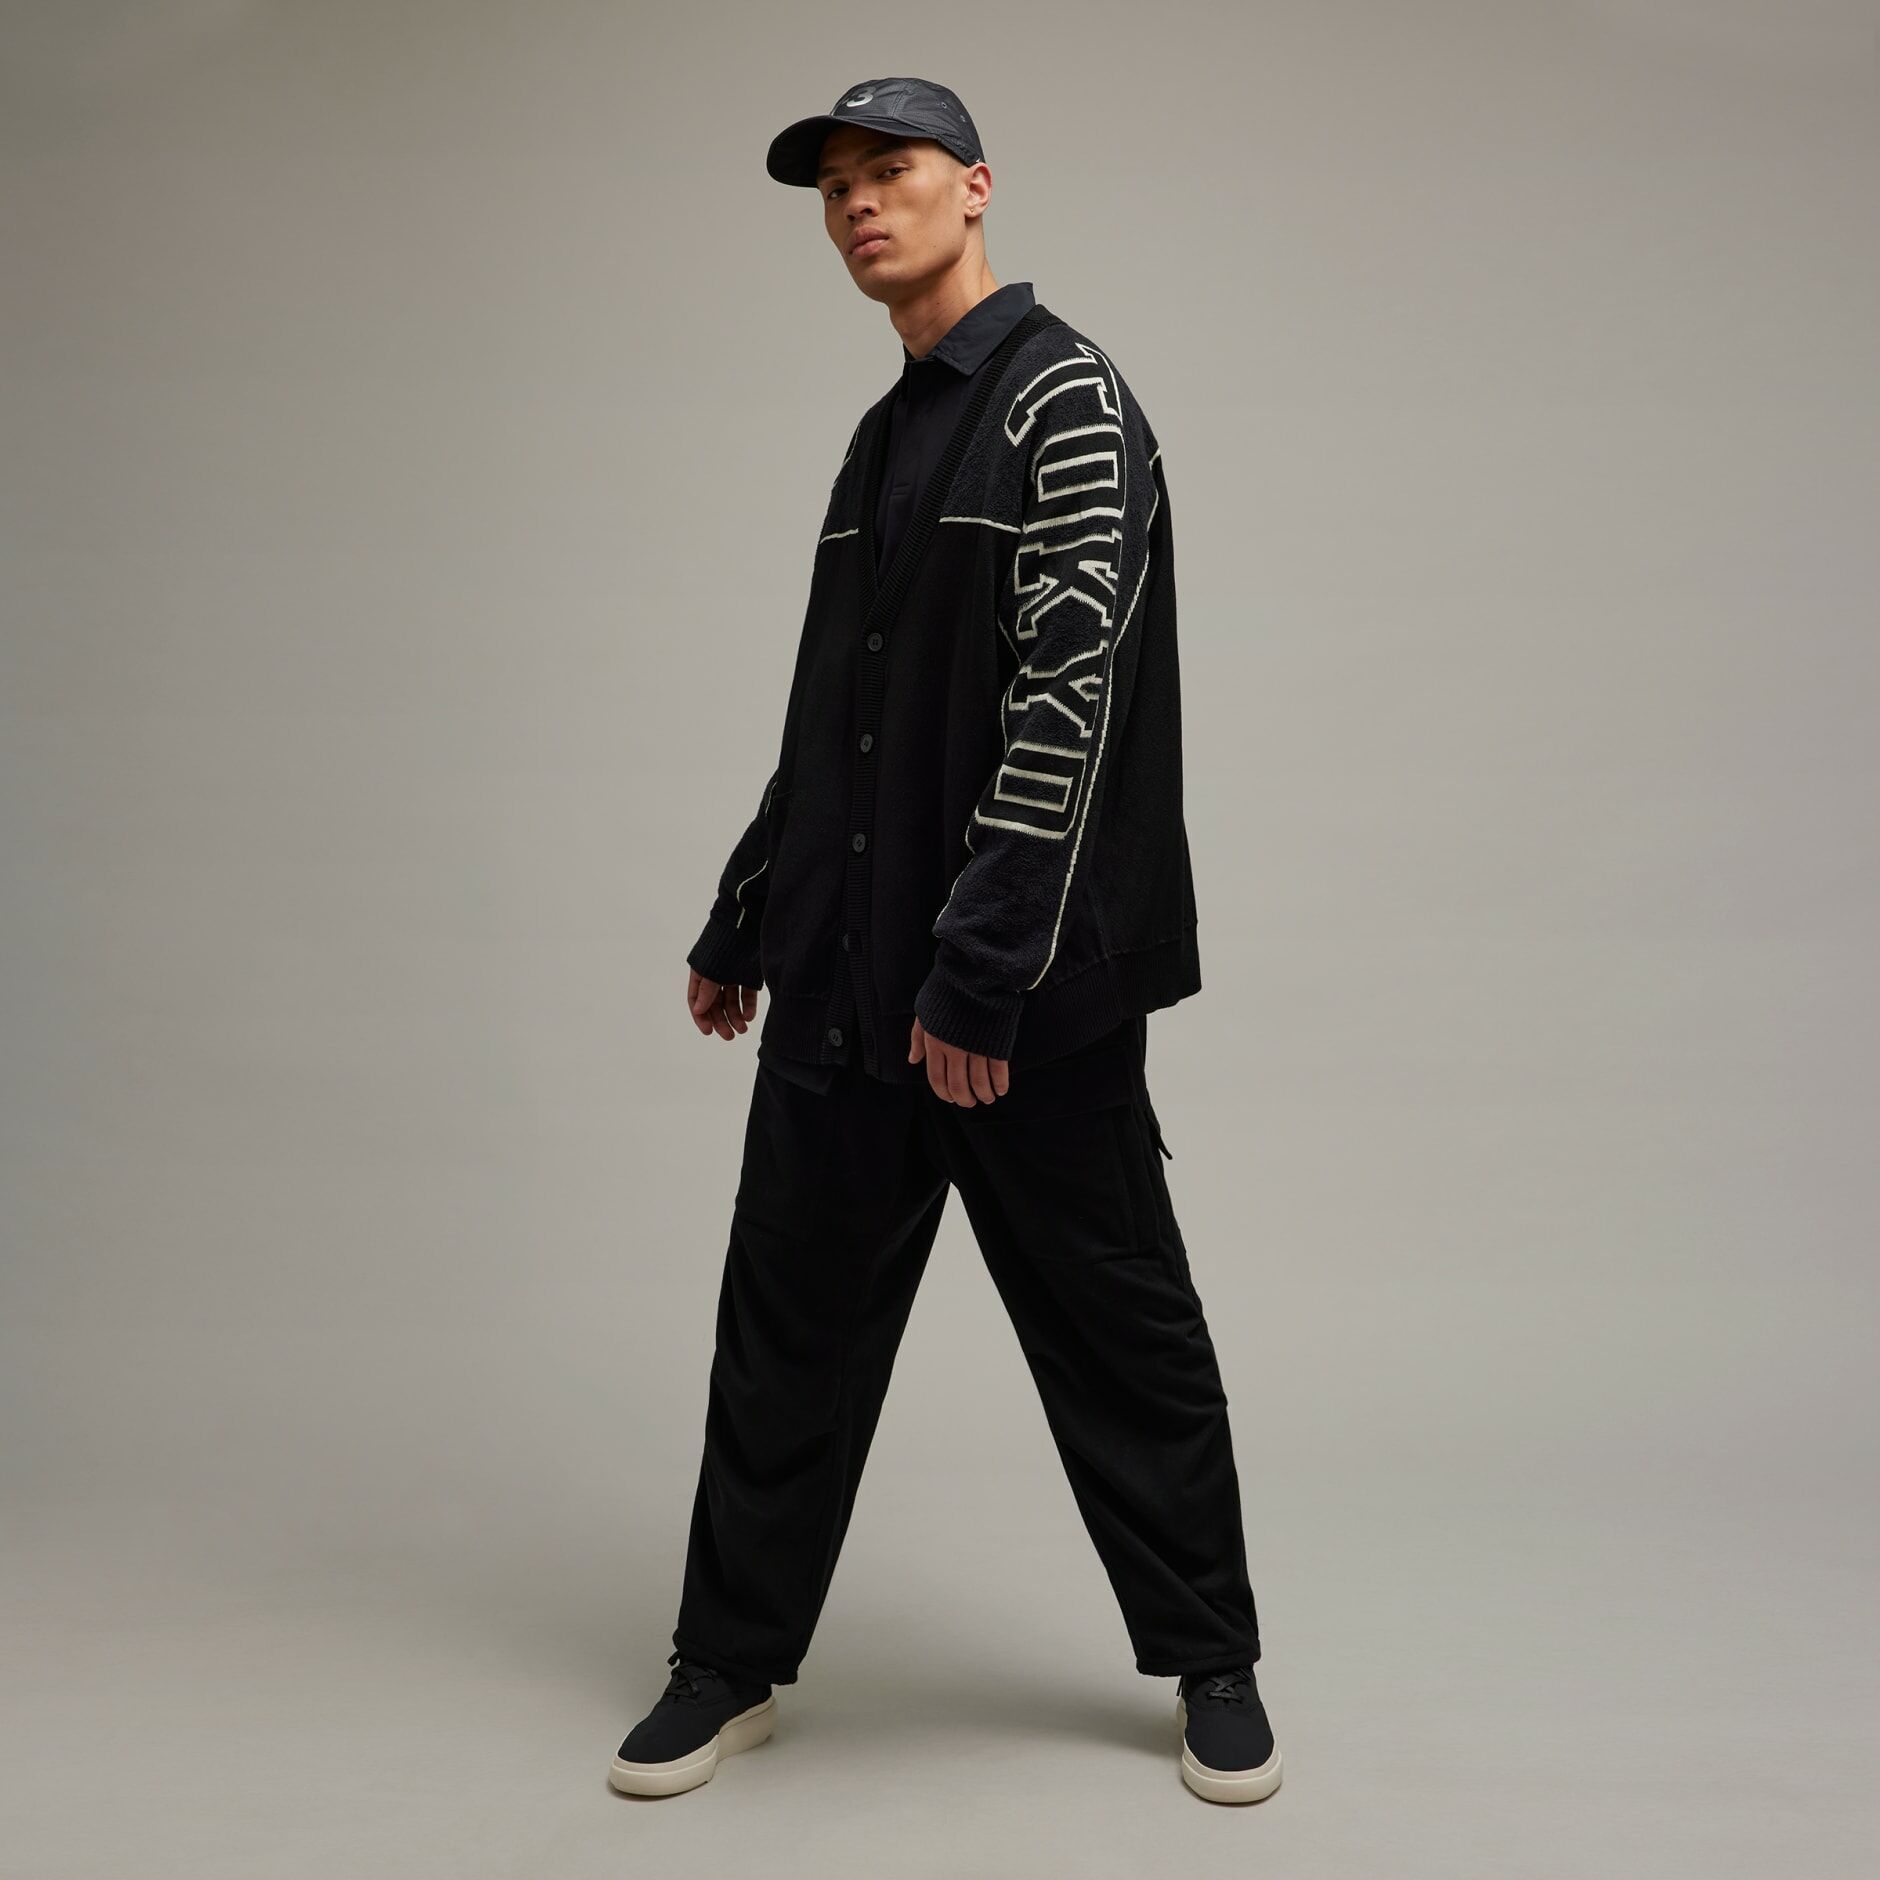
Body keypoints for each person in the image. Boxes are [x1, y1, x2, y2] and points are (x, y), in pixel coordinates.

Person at [609, 76, 1281, 1807]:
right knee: (785, 1334)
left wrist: (980, 975)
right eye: (834, 183)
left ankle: (1213, 1663)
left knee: (1119, 1332)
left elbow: (1070, 704)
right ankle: (727, 1662)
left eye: (889, 170)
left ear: (975, 187)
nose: (857, 203)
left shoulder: (1071, 403)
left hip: (1018, 1003)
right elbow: (838, 713)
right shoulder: (880, 436)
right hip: (843, 989)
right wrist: (750, 911)